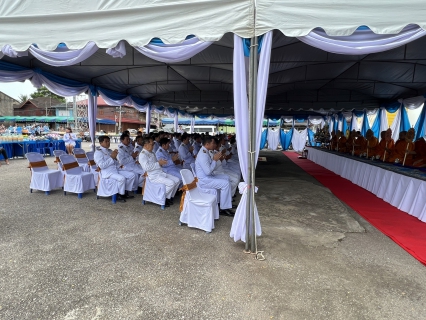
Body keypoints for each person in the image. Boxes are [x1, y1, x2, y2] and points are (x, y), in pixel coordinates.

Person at [195, 135, 234, 216]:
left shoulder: (206, 151)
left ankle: (226, 202)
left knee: (226, 178)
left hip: (209, 177)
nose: (215, 145)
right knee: (225, 184)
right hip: (204, 180)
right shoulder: (203, 154)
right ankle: (224, 208)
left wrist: (215, 160)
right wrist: (214, 160)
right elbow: (208, 172)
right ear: (207, 144)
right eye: (213, 143)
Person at [139, 136, 180, 206]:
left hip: (160, 173)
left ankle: (167, 198)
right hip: (153, 176)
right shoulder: (143, 155)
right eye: (152, 144)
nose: (153, 146)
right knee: (171, 183)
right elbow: (146, 168)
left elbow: (156, 164)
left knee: (177, 180)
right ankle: (160, 198)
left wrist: (161, 163)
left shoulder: (151, 153)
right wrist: (159, 163)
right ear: (146, 145)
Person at [94, 135, 136, 201]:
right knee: (121, 178)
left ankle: (125, 191)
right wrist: (111, 158)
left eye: (109, 141)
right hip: (107, 172)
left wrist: (119, 165)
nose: (108, 143)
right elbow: (102, 165)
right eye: (106, 141)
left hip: (115, 169)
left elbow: (115, 161)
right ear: (100, 143)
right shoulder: (98, 152)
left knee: (131, 175)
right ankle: (120, 195)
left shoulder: (110, 151)